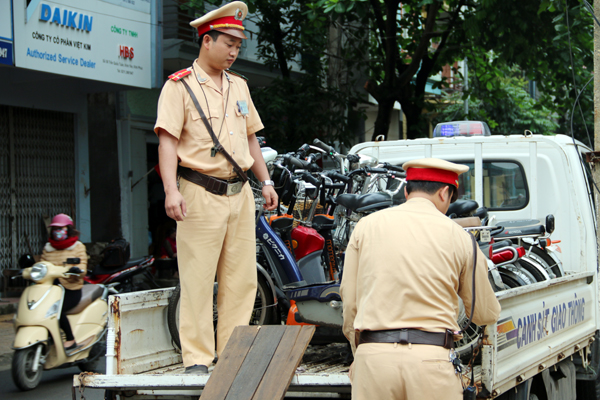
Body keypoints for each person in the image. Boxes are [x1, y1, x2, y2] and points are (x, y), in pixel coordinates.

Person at [154, 1, 277, 375]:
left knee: (242, 280)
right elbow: (167, 143)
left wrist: (265, 180)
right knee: (197, 278)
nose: (234, 51)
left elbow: (252, 139)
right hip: (198, 193)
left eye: (239, 45)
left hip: (239, 195)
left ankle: (232, 354)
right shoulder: (180, 87)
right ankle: (196, 358)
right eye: (228, 43)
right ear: (206, 41)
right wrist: (171, 190)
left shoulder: (239, 85)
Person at [340, 158, 501, 400]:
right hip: (431, 361)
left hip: (373, 361)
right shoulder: (460, 237)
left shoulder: (365, 226)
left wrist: (360, 353)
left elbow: (349, 302)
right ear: (445, 192)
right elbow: (484, 313)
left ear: (406, 191)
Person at [41, 213, 88, 352]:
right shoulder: (48, 248)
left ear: (69, 230)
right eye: (55, 229)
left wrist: (76, 270)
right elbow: (43, 265)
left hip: (71, 289)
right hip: (50, 289)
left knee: (56, 311)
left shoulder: (78, 247)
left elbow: (83, 267)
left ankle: (70, 339)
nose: (57, 232)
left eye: (60, 229)